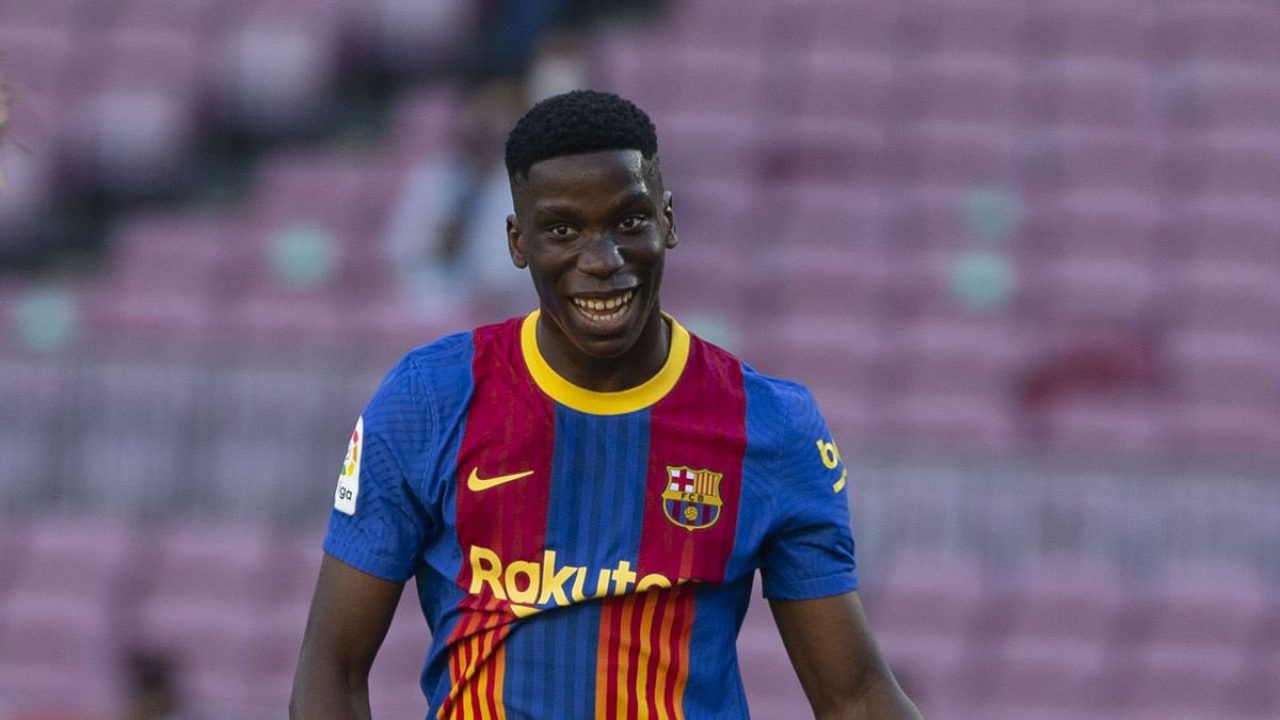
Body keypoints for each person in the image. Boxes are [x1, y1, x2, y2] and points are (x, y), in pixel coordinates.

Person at [291, 90, 921, 719]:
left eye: (629, 221)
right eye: (563, 230)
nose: (603, 260)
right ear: (518, 241)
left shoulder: (771, 426)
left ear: (668, 221)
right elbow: (333, 670)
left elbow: (855, 698)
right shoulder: (426, 403)